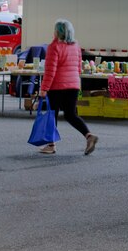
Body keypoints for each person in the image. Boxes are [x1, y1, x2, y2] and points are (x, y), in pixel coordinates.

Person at [37, 19, 97, 156]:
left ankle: (51, 145)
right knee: (71, 115)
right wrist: (76, 83)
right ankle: (89, 135)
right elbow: (78, 68)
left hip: (57, 86)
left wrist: (43, 89)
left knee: (52, 115)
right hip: (73, 85)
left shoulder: (54, 47)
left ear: (58, 32)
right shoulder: (75, 46)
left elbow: (50, 71)